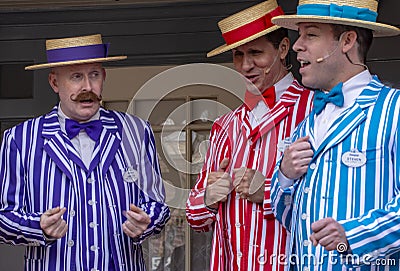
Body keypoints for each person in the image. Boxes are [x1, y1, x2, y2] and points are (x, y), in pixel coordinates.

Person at [0, 34, 170, 271]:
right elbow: (4, 217)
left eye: (94, 75)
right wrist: (38, 226)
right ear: (54, 83)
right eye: (76, 77)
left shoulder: (137, 131)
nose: (87, 87)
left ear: (104, 77)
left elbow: (158, 203)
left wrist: (147, 222)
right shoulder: (19, 139)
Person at [269, 0, 400, 270]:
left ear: (347, 40)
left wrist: (354, 236)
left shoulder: (394, 110)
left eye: (311, 34)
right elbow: (289, 217)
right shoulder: (307, 124)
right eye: (299, 34)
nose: (296, 45)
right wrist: (284, 175)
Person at [186, 1, 314, 270]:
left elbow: (333, 203)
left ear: (282, 49)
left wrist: (268, 192)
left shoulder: (315, 111)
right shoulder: (224, 126)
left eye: (255, 52)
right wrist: (209, 198)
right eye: (238, 55)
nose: (246, 65)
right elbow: (194, 217)